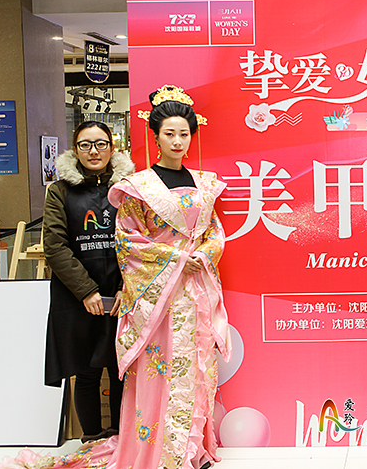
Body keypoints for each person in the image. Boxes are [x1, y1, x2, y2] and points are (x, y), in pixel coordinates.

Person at [105, 85, 230, 469]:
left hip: (195, 291)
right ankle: (161, 453)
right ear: (155, 136)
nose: (178, 141)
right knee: (161, 370)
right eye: (169, 133)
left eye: (184, 133)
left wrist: (202, 255)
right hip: (159, 296)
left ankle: (193, 450)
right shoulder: (139, 187)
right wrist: (176, 258)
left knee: (197, 367)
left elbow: (214, 232)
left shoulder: (204, 183)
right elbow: (127, 240)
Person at [43, 121, 134, 442]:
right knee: (86, 372)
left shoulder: (129, 188)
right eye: (85, 144)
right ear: (75, 149)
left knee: (121, 369)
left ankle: (120, 441)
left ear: (112, 147)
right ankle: (92, 439)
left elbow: (140, 242)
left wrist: (128, 287)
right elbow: (55, 245)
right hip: (77, 295)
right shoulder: (59, 191)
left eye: (100, 144)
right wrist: (87, 291)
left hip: (122, 293)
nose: (93, 151)